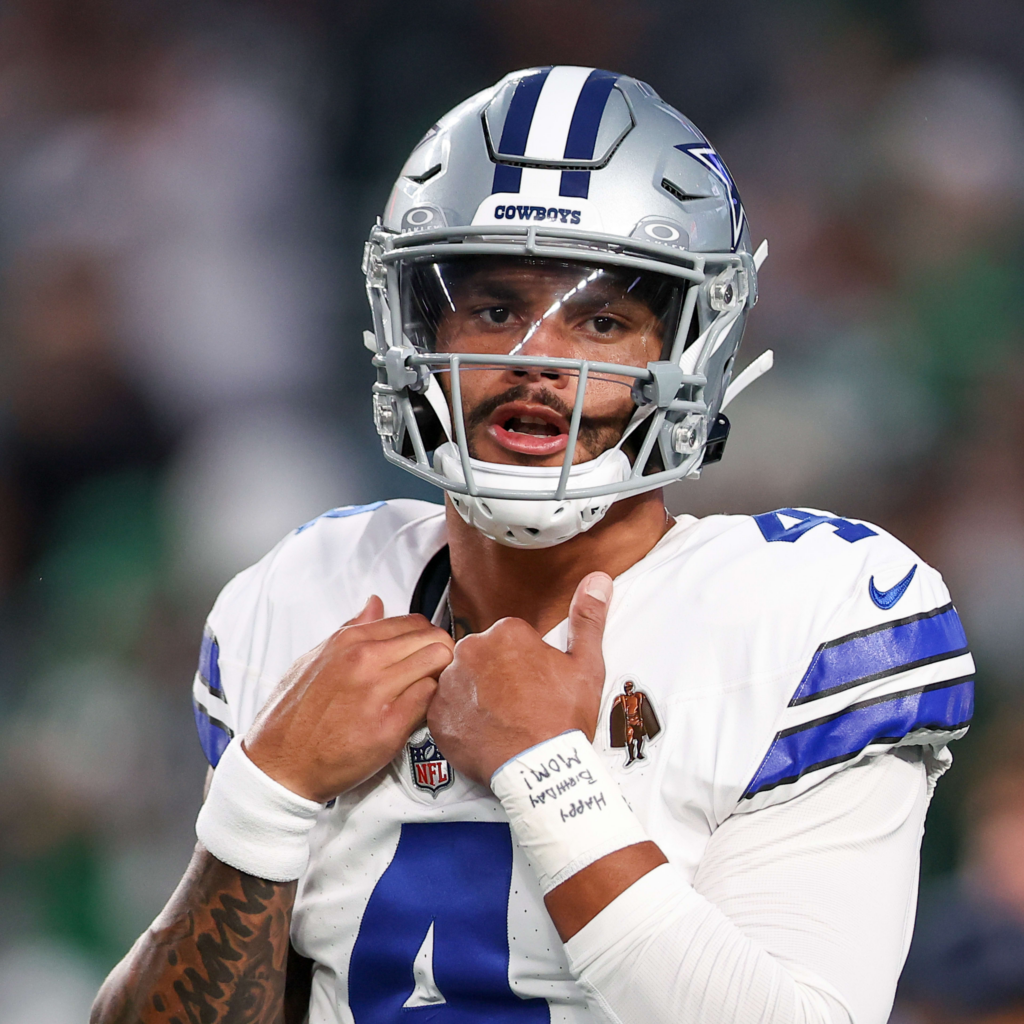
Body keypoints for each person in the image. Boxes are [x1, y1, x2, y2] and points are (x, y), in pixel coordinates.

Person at [91, 66, 975, 1024]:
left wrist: (546, 772)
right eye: (496, 310)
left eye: (602, 321)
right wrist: (265, 796)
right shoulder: (304, 594)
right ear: (414, 329)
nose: (536, 360)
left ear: (689, 352)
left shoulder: (813, 612)